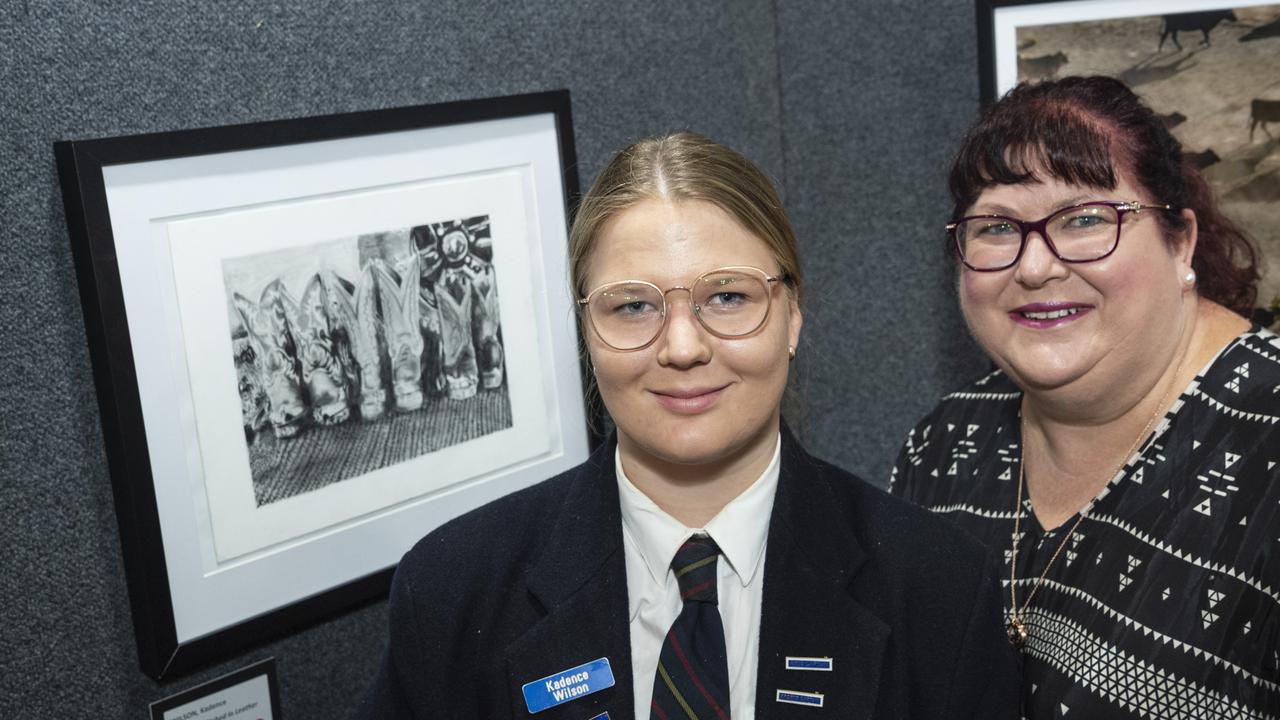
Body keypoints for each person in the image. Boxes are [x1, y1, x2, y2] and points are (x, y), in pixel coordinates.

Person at [356, 132, 1018, 719]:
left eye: (727, 297)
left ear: (792, 316)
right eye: (633, 306)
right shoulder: (453, 592)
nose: (681, 346)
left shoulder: (938, 590)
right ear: (587, 331)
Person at [890, 75, 1280, 719]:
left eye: (1086, 219)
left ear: (1179, 241)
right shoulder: (945, 444)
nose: (1035, 267)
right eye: (995, 228)